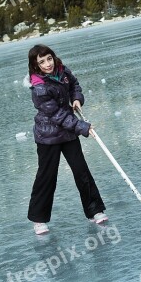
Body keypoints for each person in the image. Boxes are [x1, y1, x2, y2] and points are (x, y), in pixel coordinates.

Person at [27, 44, 107, 235]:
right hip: (48, 136)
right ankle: (38, 219)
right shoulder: (39, 87)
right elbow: (57, 115)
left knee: (81, 171)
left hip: (68, 132)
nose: (47, 64)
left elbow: (74, 85)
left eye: (49, 58)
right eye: (42, 62)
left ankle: (94, 210)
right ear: (35, 66)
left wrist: (77, 98)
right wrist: (83, 127)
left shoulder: (62, 71)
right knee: (47, 177)